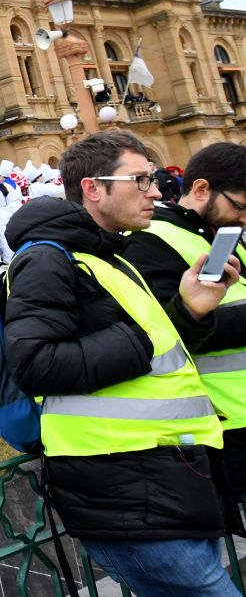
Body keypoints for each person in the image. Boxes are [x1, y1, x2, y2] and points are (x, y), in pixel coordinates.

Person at [3, 130, 240, 596]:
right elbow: (34, 363)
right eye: (141, 180)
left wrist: (191, 309)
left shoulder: (106, 254)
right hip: (123, 491)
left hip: (165, 478)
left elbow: (159, 350)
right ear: (94, 188)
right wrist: (140, 339)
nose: (156, 191)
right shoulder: (47, 260)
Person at [123, 142, 246, 502]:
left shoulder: (219, 235)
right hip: (225, 423)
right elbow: (169, 331)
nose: (243, 218)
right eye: (239, 206)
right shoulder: (149, 241)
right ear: (202, 189)